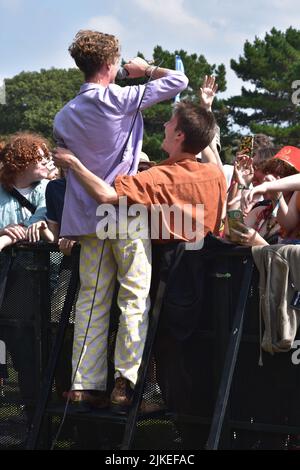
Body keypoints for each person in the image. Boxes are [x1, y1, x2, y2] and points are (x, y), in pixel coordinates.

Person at [54, 100, 226, 407]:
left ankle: (133, 387)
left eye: (170, 123)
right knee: (201, 358)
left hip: (172, 273)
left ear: (180, 136)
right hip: (210, 271)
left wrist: (75, 163)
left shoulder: (156, 179)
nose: (164, 125)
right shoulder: (215, 175)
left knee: (166, 348)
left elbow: (107, 195)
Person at [53, 29, 188, 409]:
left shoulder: (63, 116)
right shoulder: (122, 97)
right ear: (112, 64)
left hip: (88, 219)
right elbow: (180, 80)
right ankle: (124, 383)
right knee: (133, 299)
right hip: (125, 213)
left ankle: (84, 384)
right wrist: (145, 69)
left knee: (91, 301)